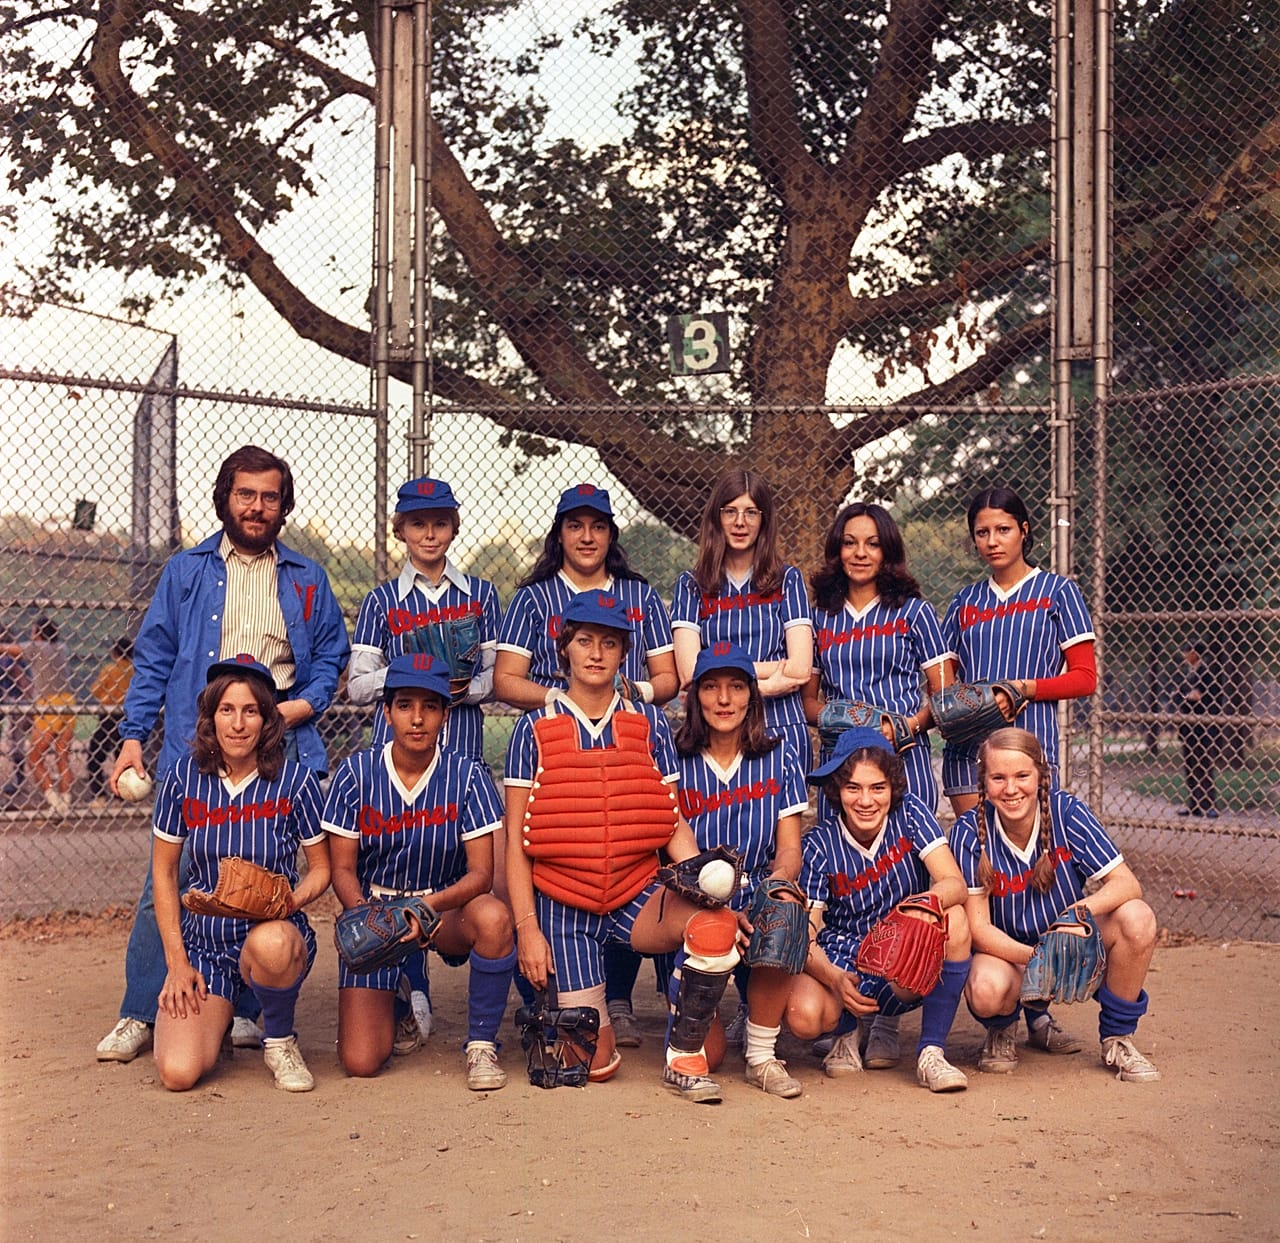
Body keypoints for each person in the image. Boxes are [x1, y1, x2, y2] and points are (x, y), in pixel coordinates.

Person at [96, 445, 350, 1064]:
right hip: (202, 739)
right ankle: (141, 1009)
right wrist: (133, 736)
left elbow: (331, 657)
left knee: (267, 874)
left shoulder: (307, 577)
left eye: (270, 497)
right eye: (246, 494)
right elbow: (153, 659)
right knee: (173, 874)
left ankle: (248, 1007)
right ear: (225, 499)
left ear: (283, 506)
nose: (257, 507)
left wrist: (298, 707)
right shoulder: (187, 571)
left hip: (280, 739)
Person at [504, 591, 744, 1103]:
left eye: (609, 643)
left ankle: (683, 1060)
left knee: (714, 926)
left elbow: (670, 821)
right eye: (584, 641)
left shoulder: (649, 723)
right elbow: (518, 843)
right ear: (564, 647)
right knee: (590, 1063)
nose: (596, 653)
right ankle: (592, 1017)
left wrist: (707, 890)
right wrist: (527, 928)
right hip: (565, 903)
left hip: (636, 891)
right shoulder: (533, 730)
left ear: (623, 654)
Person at [494, 482, 678, 1045]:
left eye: (598, 525)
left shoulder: (639, 596)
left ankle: (671, 1021)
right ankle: (559, 999)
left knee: (627, 832)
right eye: (575, 525)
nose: (587, 536)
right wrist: (561, 702)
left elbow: (668, 678)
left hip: (624, 740)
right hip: (564, 750)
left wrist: (630, 697)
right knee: (569, 836)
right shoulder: (534, 598)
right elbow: (505, 680)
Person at [802, 501, 952, 1068]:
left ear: (887, 550)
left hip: (902, 761)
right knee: (844, 878)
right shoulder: (822, 614)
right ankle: (848, 1014)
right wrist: (841, 720)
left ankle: (888, 1016)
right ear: (837, 550)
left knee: (907, 874)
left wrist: (903, 727)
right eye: (850, 542)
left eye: (872, 542)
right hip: (844, 763)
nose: (860, 553)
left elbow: (944, 697)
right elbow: (810, 701)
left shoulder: (913, 611)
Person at [326, 653, 516, 1088]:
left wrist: (424, 907)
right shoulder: (356, 772)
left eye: (430, 706)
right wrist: (368, 918)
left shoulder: (467, 775)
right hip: (376, 908)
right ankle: (399, 1003)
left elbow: (481, 874)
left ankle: (481, 1045)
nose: (417, 718)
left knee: (494, 918)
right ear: (387, 711)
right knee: (360, 1061)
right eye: (405, 705)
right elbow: (342, 869)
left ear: (445, 715)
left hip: (443, 906)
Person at [151, 657, 331, 1093]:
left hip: (269, 934)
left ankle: (280, 1040)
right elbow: (164, 872)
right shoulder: (183, 777)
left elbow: (321, 869)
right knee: (178, 1072)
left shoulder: (295, 781)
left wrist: (289, 902)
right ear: (210, 716)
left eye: (250, 711)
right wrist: (177, 965)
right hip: (205, 945)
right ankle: (222, 1020)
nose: (237, 724)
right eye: (226, 710)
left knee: (272, 944)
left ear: (267, 719)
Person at [953, 727, 1161, 1082]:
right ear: (984, 782)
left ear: (1041, 776)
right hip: (1009, 955)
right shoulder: (969, 831)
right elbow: (979, 928)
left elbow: (1127, 884)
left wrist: (1077, 916)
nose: (1011, 788)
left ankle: (1117, 1037)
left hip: (1071, 942)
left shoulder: (1068, 813)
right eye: (998, 778)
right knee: (986, 989)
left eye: (1022, 776)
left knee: (1137, 918)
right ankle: (1002, 1029)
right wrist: (1039, 958)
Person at [785, 728, 973, 1093]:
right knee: (803, 1015)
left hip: (900, 947)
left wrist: (922, 905)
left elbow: (954, 883)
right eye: (853, 787)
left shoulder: (910, 813)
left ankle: (931, 1052)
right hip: (844, 957)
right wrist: (833, 978)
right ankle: (846, 1030)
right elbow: (806, 935)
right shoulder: (820, 843)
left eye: (878, 787)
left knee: (955, 917)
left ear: (893, 787)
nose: (866, 800)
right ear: (837, 790)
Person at [674, 642, 807, 1096]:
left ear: (752, 694)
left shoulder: (779, 755)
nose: (724, 699)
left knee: (786, 905)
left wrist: (771, 892)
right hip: (695, 899)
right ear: (695, 696)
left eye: (735, 686)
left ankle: (762, 1056)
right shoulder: (675, 757)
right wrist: (719, 909)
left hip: (755, 893)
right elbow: (670, 855)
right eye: (711, 687)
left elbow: (789, 850)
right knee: (708, 1055)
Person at [940, 487, 1096, 818]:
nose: (992, 541)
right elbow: (941, 681)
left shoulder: (1059, 592)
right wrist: (957, 706)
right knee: (976, 846)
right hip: (969, 751)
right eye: (982, 533)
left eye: (1003, 529)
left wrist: (1022, 689)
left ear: (1024, 530)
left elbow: (1085, 678)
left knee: (1029, 849)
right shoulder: (964, 601)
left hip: (1029, 747)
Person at [347, 476, 501, 762]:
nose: (430, 534)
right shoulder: (380, 600)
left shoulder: (482, 594)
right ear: (400, 530)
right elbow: (357, 687)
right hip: (394, 752)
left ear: (454, 529)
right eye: (418, 524)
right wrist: (413, 676)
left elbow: (498, 676)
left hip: (461, 744)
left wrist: (454, 687)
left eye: (440, 523)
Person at [671, 470, 813, 772]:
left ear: (764, 520)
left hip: (780, 722)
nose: (740, 522)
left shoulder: (787, 579)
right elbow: (689, 672)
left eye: (751, 512)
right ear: (716, 517)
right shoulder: (692, 584)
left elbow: (801, 667)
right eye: (730, 511)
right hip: (716, 727)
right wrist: (766, 686)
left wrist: (720, 673)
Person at [25, 615, 76, 813]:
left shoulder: (37, 647)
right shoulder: (61, 648)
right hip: (68, 701)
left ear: (38, 633)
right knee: (62, 757)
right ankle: (66, 804)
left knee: (34, 758)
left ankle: (55, 803)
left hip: (49, 703)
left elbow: (6, 649)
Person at [87, 637, 134, 809]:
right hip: (127, 716)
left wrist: (109, 694)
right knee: (120, 756)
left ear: (115, 653)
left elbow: (96, 690)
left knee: (94, 756)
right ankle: (119, 796)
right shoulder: (134, 670)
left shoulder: (110, 669)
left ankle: (99, 795)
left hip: (108, 716)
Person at [1177, 643, 1220, 818]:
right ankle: (1194, 803)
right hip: (1188, 725)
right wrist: (1187, 697)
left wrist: (1195, 697)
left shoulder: (1206, 672)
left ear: (1195, 653)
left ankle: (1209, 805)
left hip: (1202, 725)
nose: (1184, 655)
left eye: (1187, 652)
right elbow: (1180, 695)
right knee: (1190, 764)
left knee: (1204, 764)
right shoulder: (1188, 673)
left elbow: (1209, 696)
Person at [0, 625, 31, 800]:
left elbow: (22, 679)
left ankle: (19, 780)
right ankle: (18, 779)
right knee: (13, 741)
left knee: (14, 741)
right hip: (10, 701)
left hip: (16, 702)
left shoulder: (7, 657)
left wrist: (30, 704)